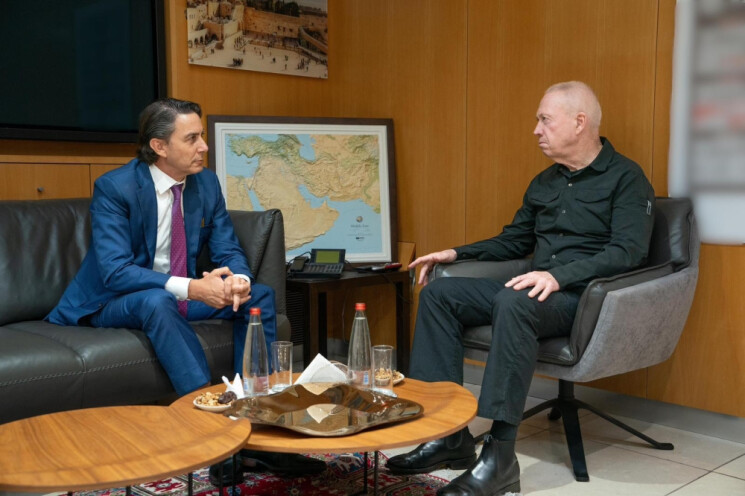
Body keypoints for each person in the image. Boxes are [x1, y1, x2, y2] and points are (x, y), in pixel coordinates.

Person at [386, 81, 655, 496]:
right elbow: (514, 240)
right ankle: (447, 436)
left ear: (579, 122)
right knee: (440, 295)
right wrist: (455, 254)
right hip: (531, 292)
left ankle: (500, 458)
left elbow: (628, 252)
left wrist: (559, 276)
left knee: (515, 300)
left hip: (580, 299)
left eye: (545, 120)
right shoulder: (545, 182)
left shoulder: (627, 178)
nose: (536, 130)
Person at [45, 98, 324, 482]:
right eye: (191, 138)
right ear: (159, 146)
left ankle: (260, 425)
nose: (204, 147)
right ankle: (214, 430)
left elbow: (227, 247)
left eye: (202, 136)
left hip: (176, 296)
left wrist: (238, 280)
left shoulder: (205, 183)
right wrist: (192, 287)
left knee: (258, 296)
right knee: (158, 299)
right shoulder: (116, 188)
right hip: (112, 300)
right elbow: (115, 271)